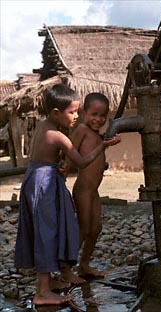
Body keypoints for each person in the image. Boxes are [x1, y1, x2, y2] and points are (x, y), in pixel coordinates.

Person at [14, 84, 120, 306]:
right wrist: (103, 146)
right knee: (48, 233)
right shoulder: (59, 136)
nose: (75, 117)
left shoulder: (45, 126)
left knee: (47, 230)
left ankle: (49, 282)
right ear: (56, 113)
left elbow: (54, 157)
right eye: (72, 112)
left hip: (40, 179)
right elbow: (81, 161)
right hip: (44, 184)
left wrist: (62, 165)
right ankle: (42, 293)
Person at [61, 92, 118, 282]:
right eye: (94, 114)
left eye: (102, 116)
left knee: (96, 228)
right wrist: (65, 171)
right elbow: (71, 151)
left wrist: (108, 142)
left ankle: (84, 265)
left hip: (93, 191)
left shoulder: (95, 134)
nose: (98, 119)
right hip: (83, 189)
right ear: (85, 112)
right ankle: (66, 269)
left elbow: (98, 147)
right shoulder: (82, 130)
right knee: (84, 228)